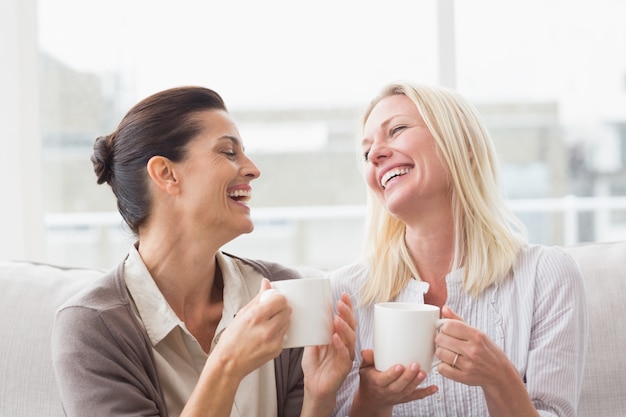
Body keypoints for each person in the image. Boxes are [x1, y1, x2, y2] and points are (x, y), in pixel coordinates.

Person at [51, 86, 356, 417]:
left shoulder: (280, 290)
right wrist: (227, 365)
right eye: (228, 152)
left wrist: (318, 396)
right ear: (167, 174)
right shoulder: (93, 327)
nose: (253, 168)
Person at [329, 81, 587, 417]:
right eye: (366, 152)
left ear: (462, 143)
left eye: (397, 130)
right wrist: (371, 403)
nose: (376, 154)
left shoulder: (546, 276)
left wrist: (499, 378)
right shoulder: (345, 295)